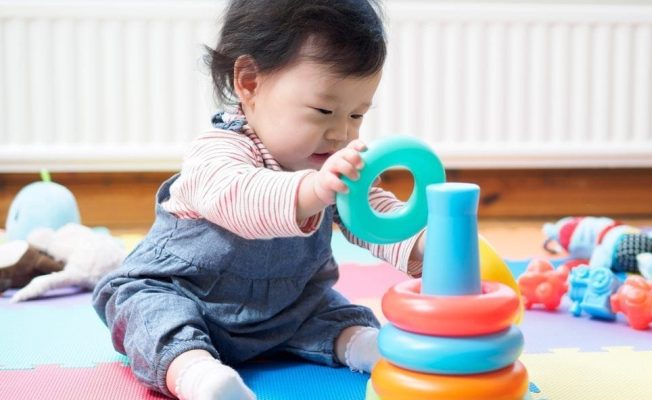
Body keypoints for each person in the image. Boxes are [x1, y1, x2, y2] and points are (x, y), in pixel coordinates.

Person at [92, 1, 425, 399]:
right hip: (185, 295)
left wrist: (423, 242)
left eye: (356, 115)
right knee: (148, 313)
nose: (341, 133)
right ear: (250, 82)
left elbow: (373, 215)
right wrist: (313, 190)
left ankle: (366, 347)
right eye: (324, 110)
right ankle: (198, 374)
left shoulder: (328, 164)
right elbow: (239, 197)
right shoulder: (217, 152)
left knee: (332, 311)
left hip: (287, 308)